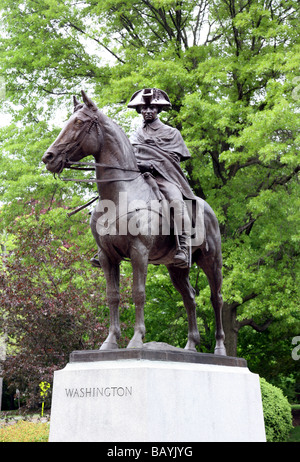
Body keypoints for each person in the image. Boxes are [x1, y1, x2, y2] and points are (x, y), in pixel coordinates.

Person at [128, 88, 196, 268]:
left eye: (152, 108)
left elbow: (173, 158)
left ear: (158, 110)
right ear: (140, 110)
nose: (148, 111)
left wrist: (152, 164)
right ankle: (107, 245)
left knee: (176, 201)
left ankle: (183, 246)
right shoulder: (135, 135)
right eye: (144, 108)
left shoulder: (171, 133)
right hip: (140, 178)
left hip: (164, 177)